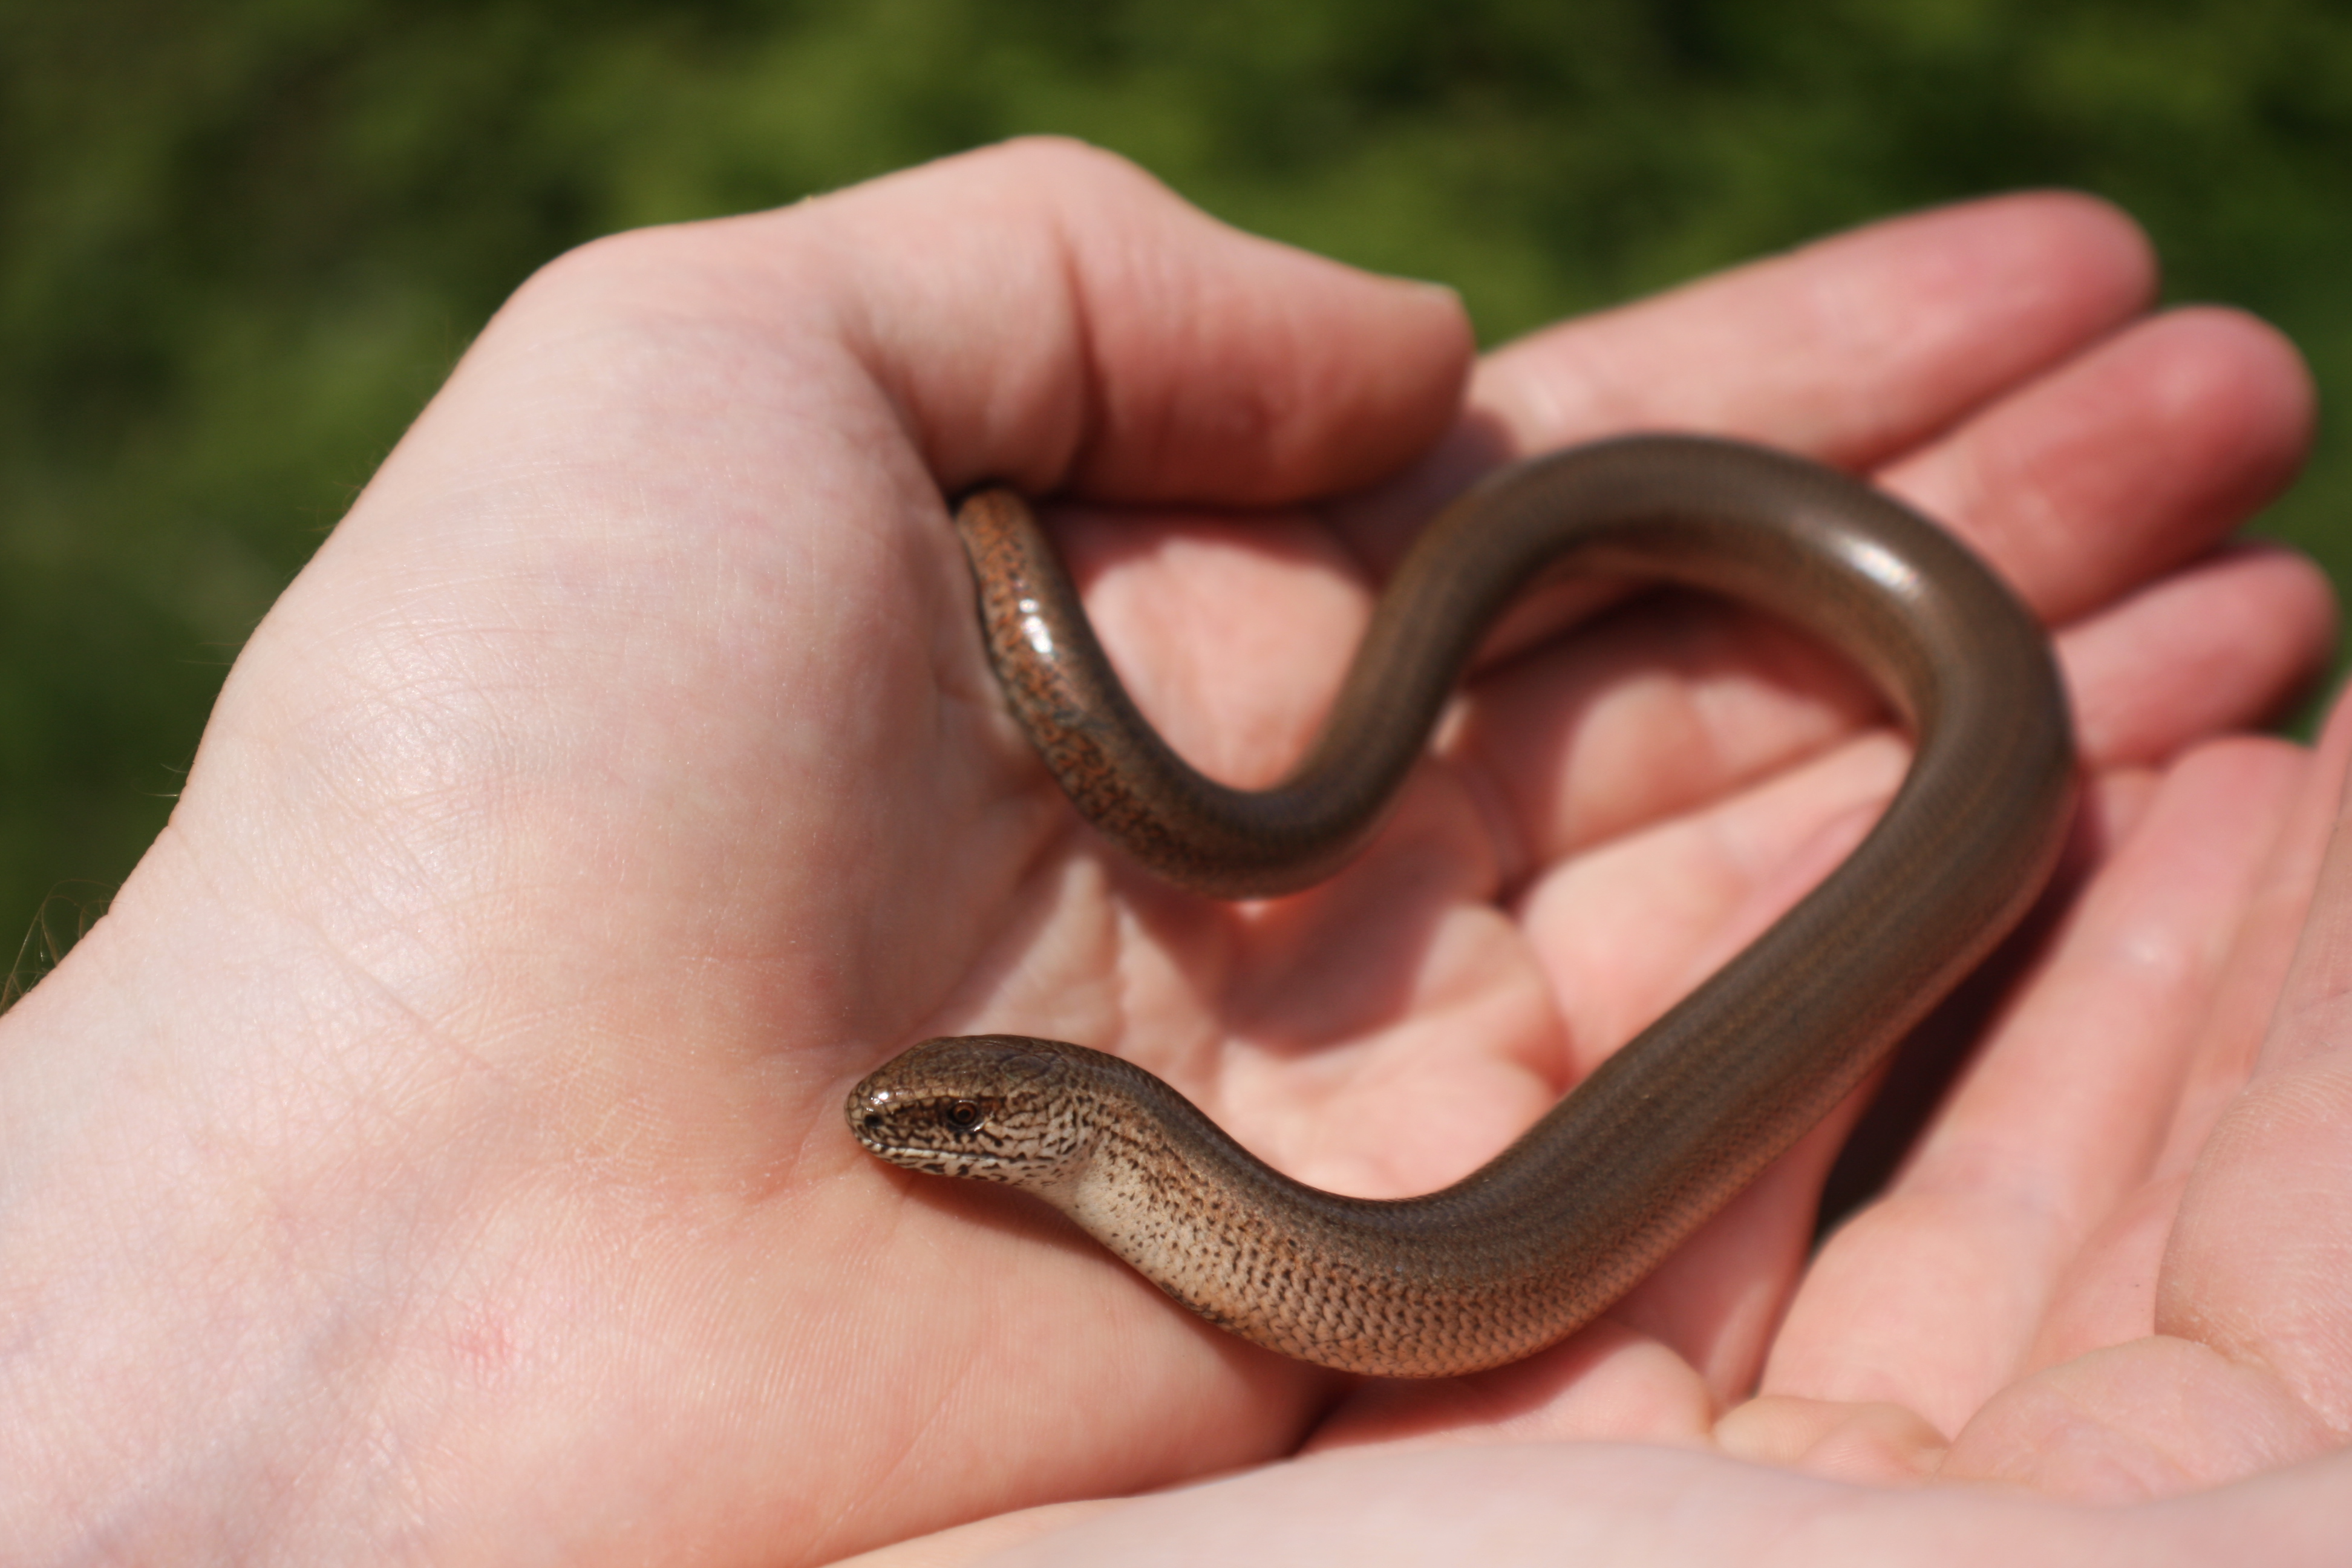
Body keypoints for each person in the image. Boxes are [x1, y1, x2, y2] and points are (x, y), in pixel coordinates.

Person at [0, 137, 2340, 1567]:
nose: (919, 1135)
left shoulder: (1158, 1165)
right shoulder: (1172, 1187)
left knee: (1984, 777)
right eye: (955, 1119)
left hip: (1944, 779)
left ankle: (1912, 790)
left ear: (1058, 1129)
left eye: (959, 1121)